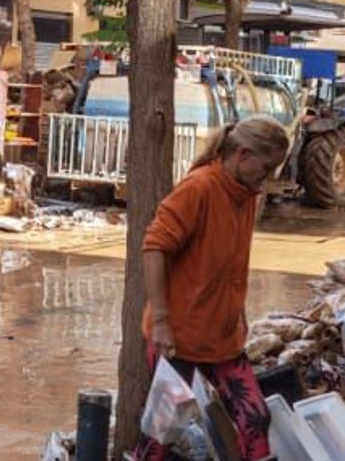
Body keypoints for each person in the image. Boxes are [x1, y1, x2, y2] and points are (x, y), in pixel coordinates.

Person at [136, 117, 290, 461]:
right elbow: (154, 246)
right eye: (266, 168)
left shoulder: (247, 195)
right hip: (178, 338)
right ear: (243, 155)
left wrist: (239, 314)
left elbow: (232, 265)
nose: (268, 178)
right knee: (163, 433)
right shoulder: (200, 188)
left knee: (255, 419)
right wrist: (161, 321)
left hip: (223, 338)